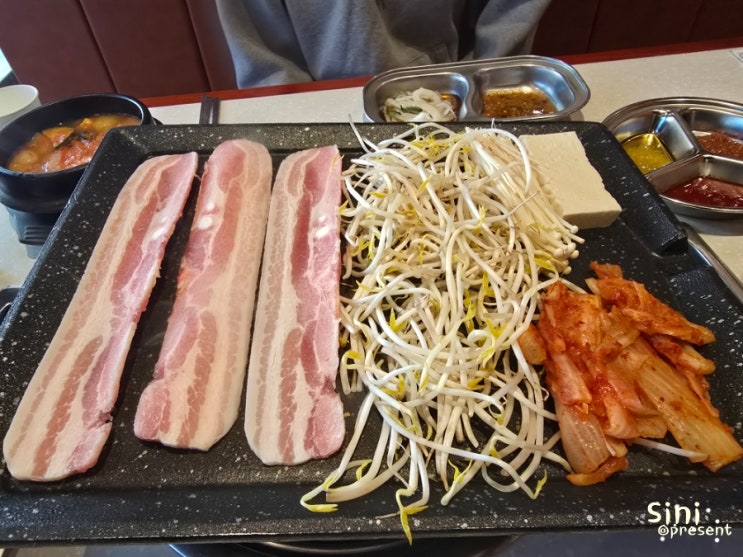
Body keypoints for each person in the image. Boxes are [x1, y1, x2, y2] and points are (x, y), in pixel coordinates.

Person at [216, 0, 552, 88]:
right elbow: (268, 68)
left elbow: (511, 11)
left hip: (457, 86)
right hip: (322, 105)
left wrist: (486, 81)